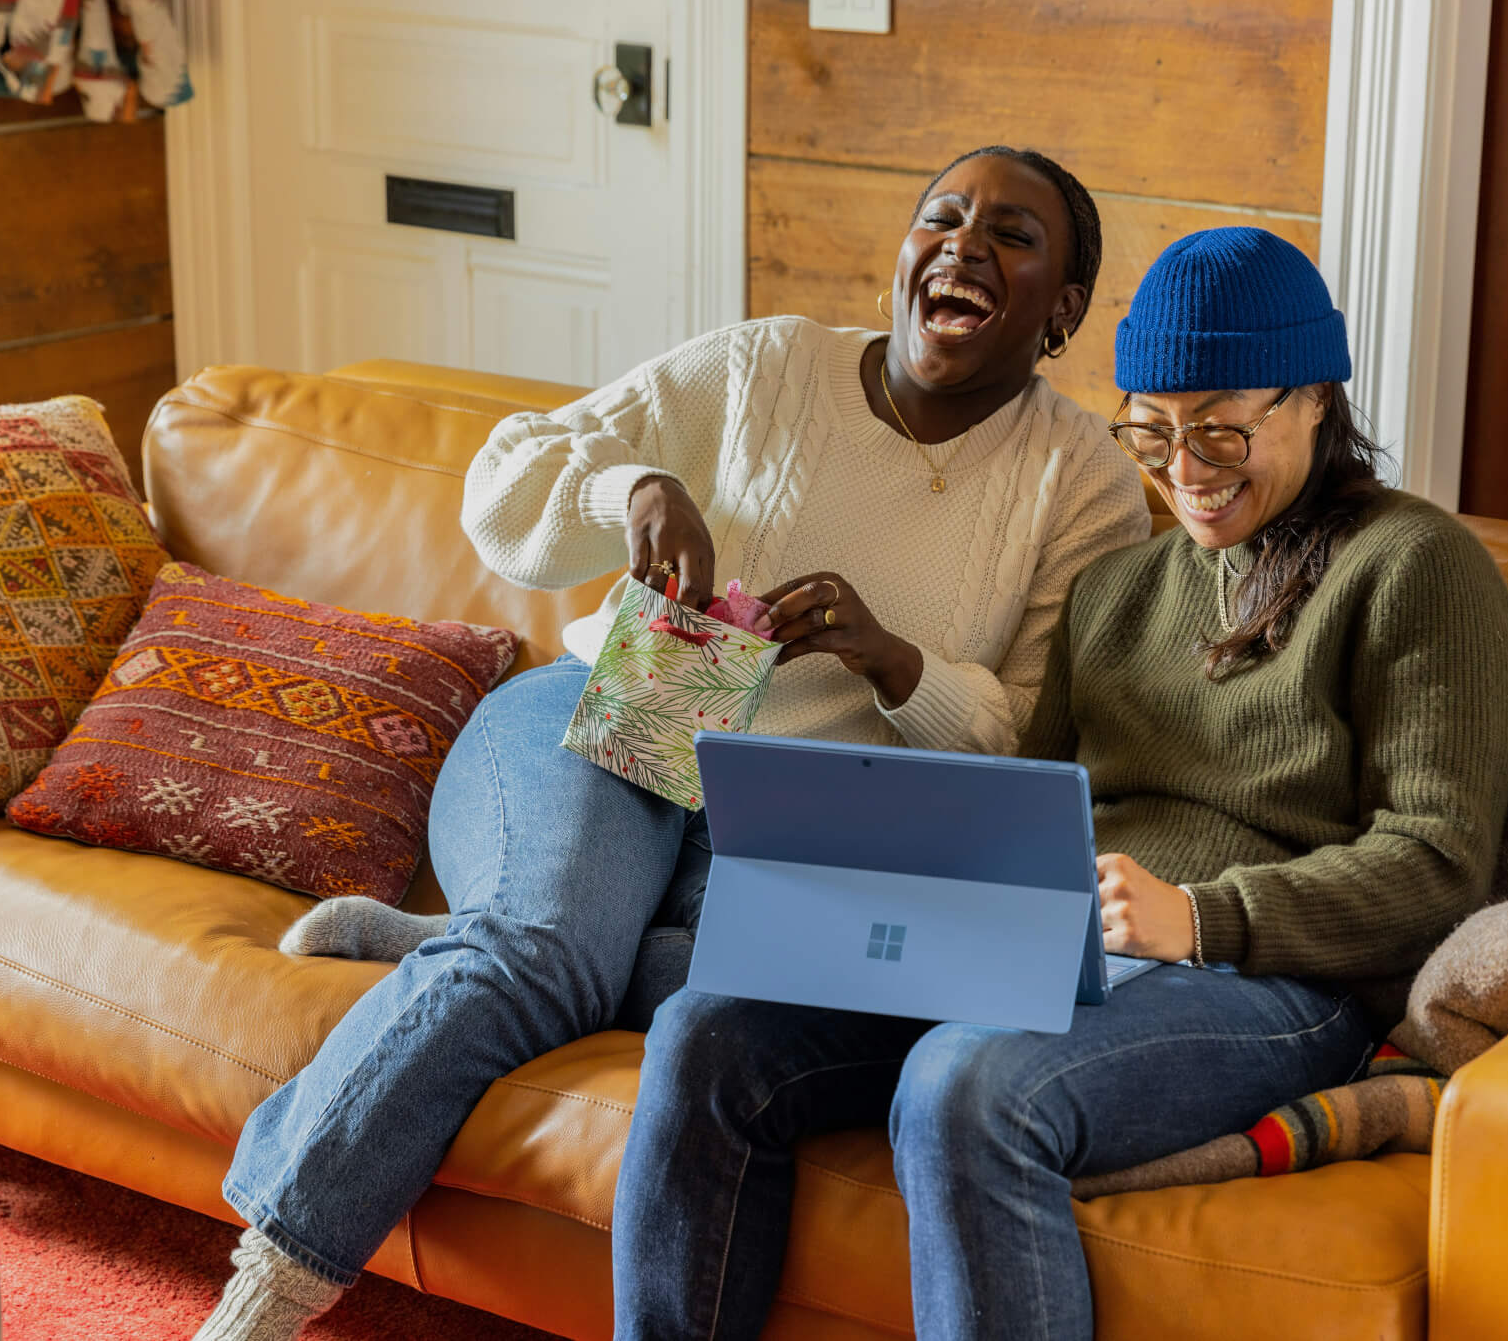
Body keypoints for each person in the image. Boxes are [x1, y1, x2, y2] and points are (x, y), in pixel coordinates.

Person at [188, 145, 1151, 1341]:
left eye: (1010, 236)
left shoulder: (1086, 487)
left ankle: (455, 941)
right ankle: (266, 1287)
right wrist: (634, 492)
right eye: (940, 218)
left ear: (1059, 311)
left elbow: (1028, 738)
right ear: (904, 254)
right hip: (612, 710)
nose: (962, 245)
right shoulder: (767, 366)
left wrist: (891, 659)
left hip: (806, 815)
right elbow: (505, 481)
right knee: (546, 949)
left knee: (725, 994)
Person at [610, 227, 1508, 1340]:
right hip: (1062, 947)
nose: (1183, 468)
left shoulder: (1416, 566)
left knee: (965, 1084)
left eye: (1220, 427)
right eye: (1152, 429)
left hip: (1273, 976)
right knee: (709, 1025)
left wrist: (1201, 915)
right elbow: (1030, 808)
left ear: (1314, 399)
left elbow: (1437, 862)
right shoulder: (1117, 592)